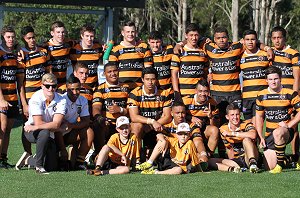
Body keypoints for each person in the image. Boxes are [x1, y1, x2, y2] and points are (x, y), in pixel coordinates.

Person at [256, 66, 300, 173]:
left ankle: (279, 166)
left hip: (285, 131)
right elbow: (259, 117)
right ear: (266, 80)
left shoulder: (290, 93)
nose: (273, 82)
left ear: (280, 79)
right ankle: (293, 158)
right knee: (269, 167)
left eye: (275, 79)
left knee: (278, 132)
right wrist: (261, 136)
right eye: (270, 79)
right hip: (269, 134)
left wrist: (290, 125)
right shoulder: (261, 95)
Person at [16, 26, 50, 166]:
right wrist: (24, 103)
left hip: (43, 95)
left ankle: (42, 153)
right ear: (24, 39)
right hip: (30, 97)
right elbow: (20, 83)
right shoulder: (21, 55)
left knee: (45, 122)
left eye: (33, 37)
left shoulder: (43, 52)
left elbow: (48, 74)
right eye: (28, 38)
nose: (32, 40)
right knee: (27, 125)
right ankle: (27, 153)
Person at [23, 73, 66, 174]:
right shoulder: (35, 98)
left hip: (44, 131)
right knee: (44, 132)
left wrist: (37, 126)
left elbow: (56, 124)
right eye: (47, 86)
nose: (50, 89)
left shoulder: (61, 99)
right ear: (42, 86)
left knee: (52, 167)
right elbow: (40, 122)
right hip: (30, 131)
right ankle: (39, 166)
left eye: (54, 86)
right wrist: (39, 126)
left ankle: (32, 159)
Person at [270, 26, 300, 166]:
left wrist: (294, 96)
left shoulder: (293, 53)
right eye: (274, 38)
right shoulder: (271, 52)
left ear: (284, 38)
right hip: (276, 97)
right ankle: (277, 155)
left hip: (290, 97)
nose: (277, 40)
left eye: (279, 37)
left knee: (293, 127)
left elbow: (297, 78)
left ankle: (296, 156)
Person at [55, 75, 94, 170]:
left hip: (70, 132)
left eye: (78, 89)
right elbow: (57, 128)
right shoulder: (60, 100)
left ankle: (79, 162)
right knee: (53, 166)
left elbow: (86, 121)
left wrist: (71, 125)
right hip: (55, 135)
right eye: (71, 89)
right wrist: (63, 150)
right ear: (66, 88)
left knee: (89, 132)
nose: (75, 92)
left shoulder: (82, 100)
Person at [92, 63, 130, 158]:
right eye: (109, 72)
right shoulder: (100, 89)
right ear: (104, 74)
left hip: (124, 125)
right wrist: (101, 119)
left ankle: (135, 158)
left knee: (136, 126)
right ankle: (99, 155)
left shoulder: (126, 88)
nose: (113, 74)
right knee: (97, 124)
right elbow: (96, 109)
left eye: (115, 71)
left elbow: (132, 111)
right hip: (107, 124)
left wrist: (120, 110)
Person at [127, 67, 172, 146]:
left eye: (153, 79)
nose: (150, 82)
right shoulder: (134, 93)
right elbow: (134, 117)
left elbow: (167, 117)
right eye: (147, 79)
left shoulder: (164, 93)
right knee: (136, 126)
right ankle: (136, 155)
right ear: (142, 79)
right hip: (143, 126)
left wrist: (151, 126)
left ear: (156, 80)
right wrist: (152, 122)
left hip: (159, 125)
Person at [136, 122, 201, 174]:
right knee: (162, 141)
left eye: (185, 134)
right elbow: (158, 135)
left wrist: (201, 171)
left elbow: (194, 159)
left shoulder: (190, 143)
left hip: (178, 167)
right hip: (167, 161)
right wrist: (164, 141)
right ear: (177, 135)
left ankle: (155, 172)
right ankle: (149, 162)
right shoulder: (174, 140)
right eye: (180, 134)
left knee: (178, 170)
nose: (183, 136)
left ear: (189, 135)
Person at [163, 102, 209, 169]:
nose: (180, 115)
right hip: (173, 155)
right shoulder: (166, 126)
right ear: (172, 113)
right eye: (177, 113)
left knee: (203, 158)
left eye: (183, 113)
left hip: (188, 154)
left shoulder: (192, 125)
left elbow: (198, 141)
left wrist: (203, 154)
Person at [109, 21, 153, 90]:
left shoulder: (143, 47)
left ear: (136, 32)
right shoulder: (115, 50)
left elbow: (148, 71)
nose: (130, 34)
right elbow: (112, 72)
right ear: (122, 33)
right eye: (128, 32)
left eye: (132, 32)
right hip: (122, 89)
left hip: (139, 89)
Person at [0, 26, 21, 168]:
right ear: (3, 37)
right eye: (8, 37)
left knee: (8, 130)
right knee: (2, 127)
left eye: (12, 37)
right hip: (2, 98)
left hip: (13, 98)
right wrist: (1, 99)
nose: (11, 39)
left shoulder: (15, 55)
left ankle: (3, 158)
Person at [182, 80, 219, 158]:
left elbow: (216, 125)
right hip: (189, 129)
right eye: (200, 91)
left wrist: (211, 117)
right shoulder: (186, 101)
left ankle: (209, 156)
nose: (203, 94)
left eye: (205, 91)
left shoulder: (212, 103)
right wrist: (190, 117)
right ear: (196, 91)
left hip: (204, 129)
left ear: (208, 91)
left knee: (215, 130)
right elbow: (177, 115)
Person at [240, 29, 270, 125]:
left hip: (261, 97)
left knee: (257, 125)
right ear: (243, 41)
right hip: (246, 98)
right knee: (249, 127)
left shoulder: (265, 55)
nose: (250, 42)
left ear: (257, 40)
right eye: (247, 39)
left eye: (252, 39)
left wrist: (268, 48)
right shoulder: (239, 56)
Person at [219, 104, 259, 173]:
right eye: (232, 115)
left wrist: (233, 133)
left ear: (240, 115)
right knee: (212, 161)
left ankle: (253, 164)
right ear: (227, 117)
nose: (235, 117)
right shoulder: (223, 129)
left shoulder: (246, 124)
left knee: (246, 139)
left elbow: (253, 135)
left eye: (237, 114)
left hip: (252, 156)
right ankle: (233, 169)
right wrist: (231, 160)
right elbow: (229, 148)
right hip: (239, 160)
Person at [171, 23, 208, 97]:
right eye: (191, 35)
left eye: (196, 35)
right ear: (186, 35)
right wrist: (176, 92)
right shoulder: (179, 51)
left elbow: (205, 73)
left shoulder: (203, 52)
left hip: (199, 94)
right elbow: (174, 74)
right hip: (184, 93)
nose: (194, 38)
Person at [70, 24, 103, 89]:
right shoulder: (73, 49)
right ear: (82, 36)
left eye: (91, 36)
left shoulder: (99, 47)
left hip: (93, 87)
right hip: (78, 87)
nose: (89, 39)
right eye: (87, 36)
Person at [44, 21, 74, 87]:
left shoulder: (69, 43)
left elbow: (81, 42)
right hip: (51, 83)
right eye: (58, 32)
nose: (61, 35)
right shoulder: (46, 47)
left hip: (64, 83)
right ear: (52, 33)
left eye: (63, 32)